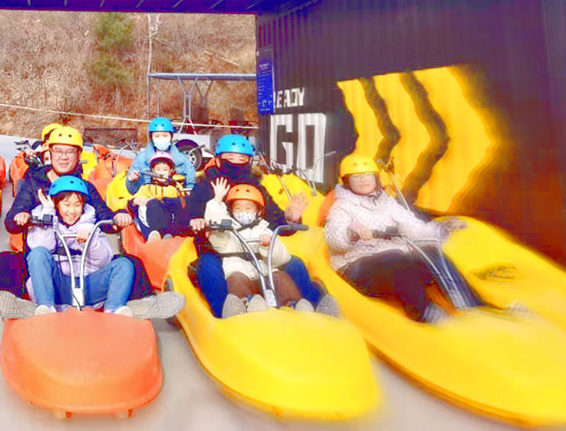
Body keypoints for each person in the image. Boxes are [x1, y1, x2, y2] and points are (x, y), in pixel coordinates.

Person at [0, 126, 181, 320]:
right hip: (46, 259)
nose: (64, 157)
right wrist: (22, 215)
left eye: (70, 152)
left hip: (83, 262)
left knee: (131, 262)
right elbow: (11, 222)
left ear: (78, 155)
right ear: (50, 152)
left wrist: (119, 216)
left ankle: (141, 303)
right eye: (59, 151)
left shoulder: (84, 188)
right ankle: (18, 306)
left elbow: (104, 216)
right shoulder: (33, 183)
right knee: (4, 260)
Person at [186, 134, 328, 316]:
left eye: (242, 159)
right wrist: (196, 221)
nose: (236, 163)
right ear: (219, 160)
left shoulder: (256, 187)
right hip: (221, 249)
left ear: (249, 162)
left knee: (295, 264)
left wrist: (290, 219)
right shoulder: (206, 186)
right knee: (209, 267)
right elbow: (186, 218)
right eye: (230, 158)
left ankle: (312, 309)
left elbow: (276, 222)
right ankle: (225, 313)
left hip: (257, 248)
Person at [323, 156, 475, 323]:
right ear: (347, 182)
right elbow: (334, 236)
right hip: (356, 267)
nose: (363, 180)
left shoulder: (388, 203)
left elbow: (415, 230)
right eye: (356, 177)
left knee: (432, 253)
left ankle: (469, 305)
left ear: (376, 178)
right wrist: (350, 232)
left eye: (367, 175)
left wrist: (443, 228)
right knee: (395, 257)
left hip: (395, 262)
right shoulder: (342, 207)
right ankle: (424, 313)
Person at [26, 176, 135, 316]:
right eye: (66, 205)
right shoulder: (45, 219)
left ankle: (113, 309)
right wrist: (48, 216)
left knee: (124, 264)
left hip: (88, 286)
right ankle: (46, 307)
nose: (72, 211)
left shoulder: (91, 224)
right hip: (58, 286)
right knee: (38, 253)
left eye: (77, 205)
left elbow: (103, 261)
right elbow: (41, 248)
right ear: (56, 204)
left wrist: (88, 241)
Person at [205, 180, 310, 315]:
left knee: (280, 276)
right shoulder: (227, 232)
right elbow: (215, 224)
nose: (243, 212)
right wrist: (217, 202)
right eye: (238, 208)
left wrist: (267, 247)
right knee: (236, 279)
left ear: (258, 211)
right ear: (231, 210)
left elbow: (283, 258)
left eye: (248, 208)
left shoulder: (265, 230)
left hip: (265, 275)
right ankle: (244, 305)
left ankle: (294, 305)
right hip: (240, 274)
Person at [125, 152, 189, 240]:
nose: (161, 173)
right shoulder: (147, 187)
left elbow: (183, 203)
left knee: (173, 206)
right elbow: (132, 205)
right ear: (153, 172)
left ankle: (167, 235)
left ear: (171, 171)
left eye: (165, 170)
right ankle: (154, 235)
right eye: (158, 170)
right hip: (149, 223)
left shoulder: (174, 188)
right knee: (151, 204)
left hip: (169, 221)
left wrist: (163, 201)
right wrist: (135, 201)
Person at [130, 117, 197, 188]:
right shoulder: (141, 159)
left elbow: (191, 182)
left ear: (171, 137)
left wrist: (188, 191)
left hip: (173, 194)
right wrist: (132, 180)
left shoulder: (182, 160)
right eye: (157, 136)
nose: (161, 139)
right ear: (151, 138)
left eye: (165, 135)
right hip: (149, 194)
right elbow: (131, 189)